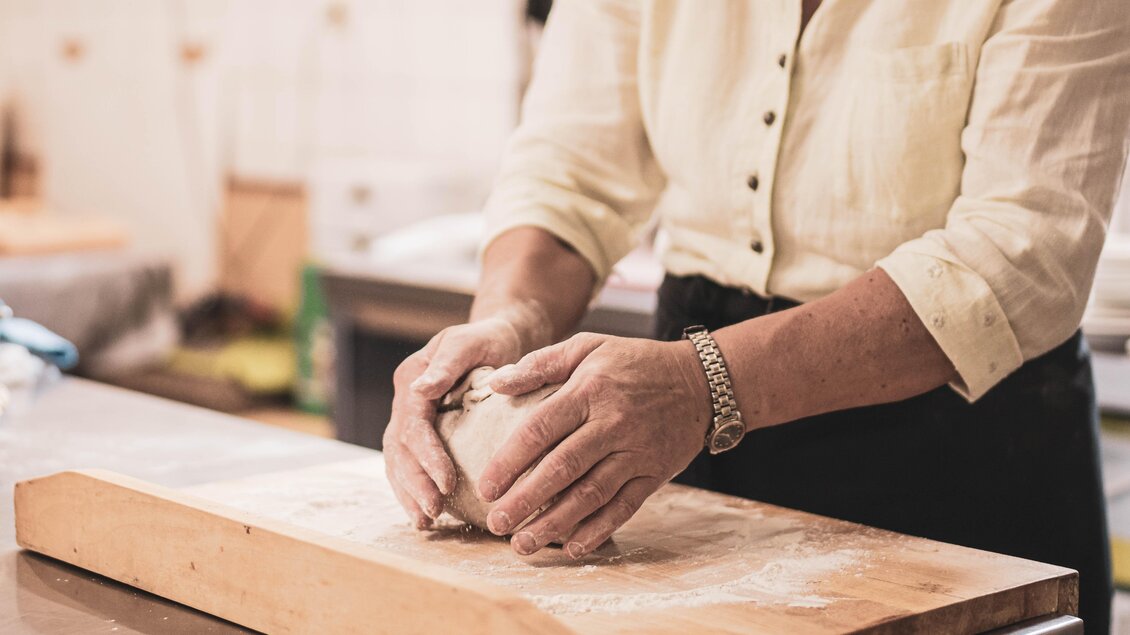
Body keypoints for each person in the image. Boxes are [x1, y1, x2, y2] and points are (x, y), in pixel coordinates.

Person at [383, 1, 1130, 631]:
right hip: (687, 437)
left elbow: (1021, 253)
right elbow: (570, 171)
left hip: (965, 442)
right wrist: (510, 324)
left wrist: (700, 384)